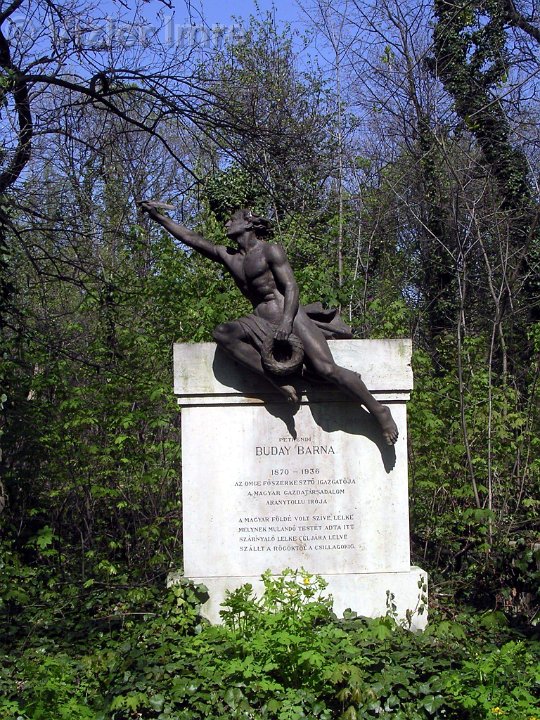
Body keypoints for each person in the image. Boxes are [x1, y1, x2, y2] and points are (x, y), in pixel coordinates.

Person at [139, 203, 398, 445]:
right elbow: (192, 239)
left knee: (326, 369)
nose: (226, 224)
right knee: (222, 333)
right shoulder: (229, 256)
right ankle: (275, 381)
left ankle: (379, 410)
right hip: (260, 319)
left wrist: (286, 322)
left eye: (232, 220)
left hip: (290, 316)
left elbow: (291, 286)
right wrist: (159, 217)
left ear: (248, 223)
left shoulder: (270, 250)